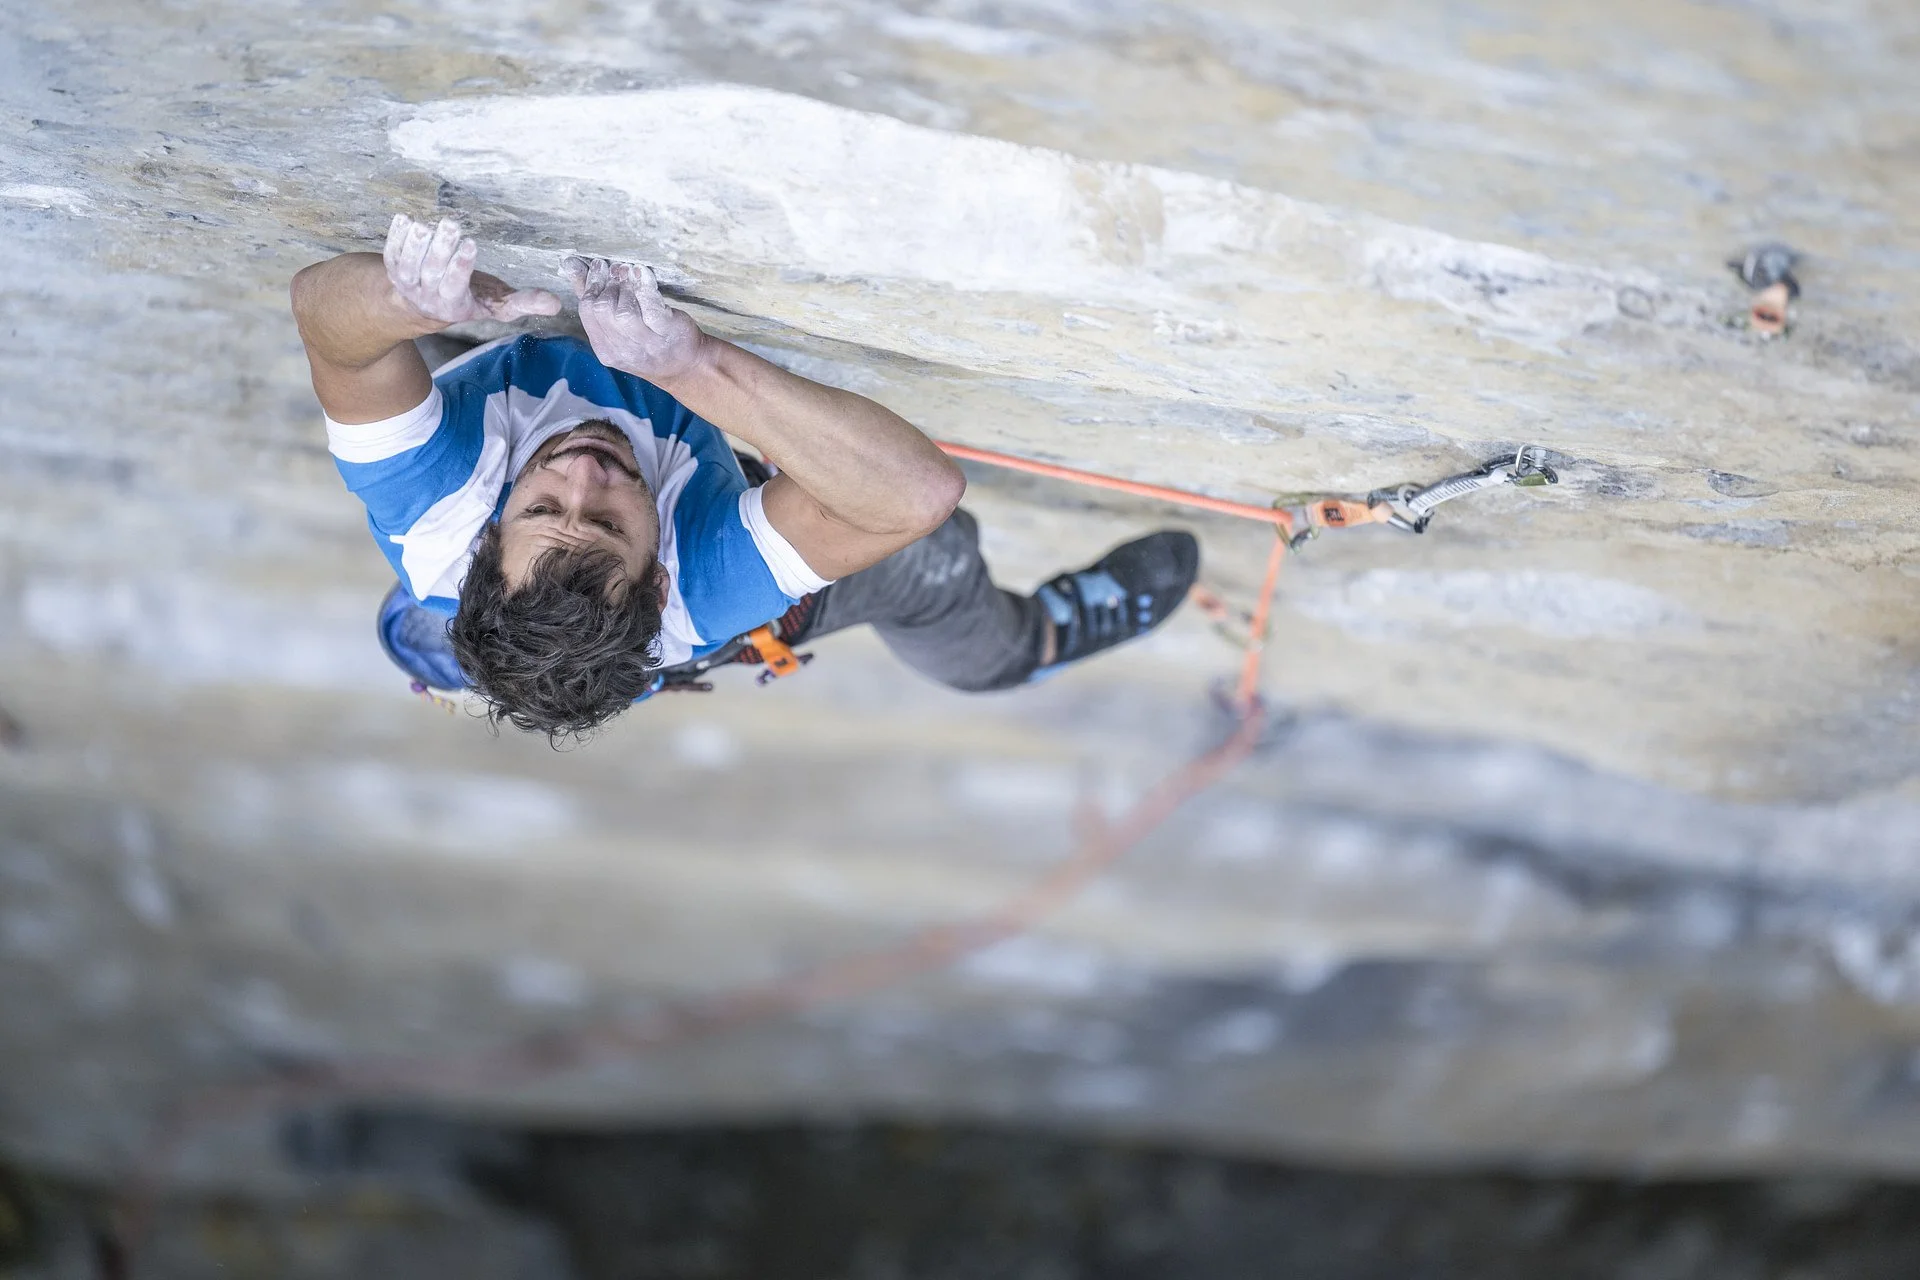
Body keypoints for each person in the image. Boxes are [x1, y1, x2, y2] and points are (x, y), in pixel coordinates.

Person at [291, 215, 1199, 740]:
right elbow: (916, 498)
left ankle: (471, 599)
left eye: (542, 507)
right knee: (930, 565)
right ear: (657, 572)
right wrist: (691, 368)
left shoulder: (435, 513)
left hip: (495, 540)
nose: (582, 472)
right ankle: (1026, 650)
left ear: (489, 535)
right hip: (679, 598)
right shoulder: (700, 593)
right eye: (607, 521)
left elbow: (323, 318)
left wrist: (403, 298)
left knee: (418, 351)